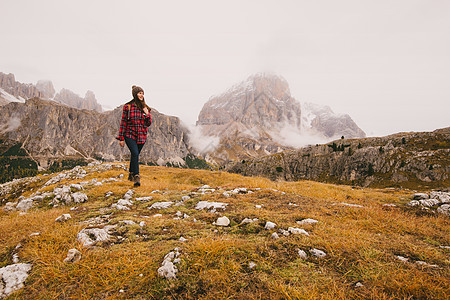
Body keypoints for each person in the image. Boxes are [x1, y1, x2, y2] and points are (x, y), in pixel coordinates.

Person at [116, 85, 152, 187]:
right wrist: (121, 138)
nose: (142, 95)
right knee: (135, 153)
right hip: (130, 134)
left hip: (141, 136)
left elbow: (148, 123)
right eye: (140, 93)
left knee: (135, 155)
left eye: (142, 93)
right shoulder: (127, 107)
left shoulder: (145, 108)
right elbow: (123, 123)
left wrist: (147, 114)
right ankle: (136, 176)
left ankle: (131, 174)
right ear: (135, 94)